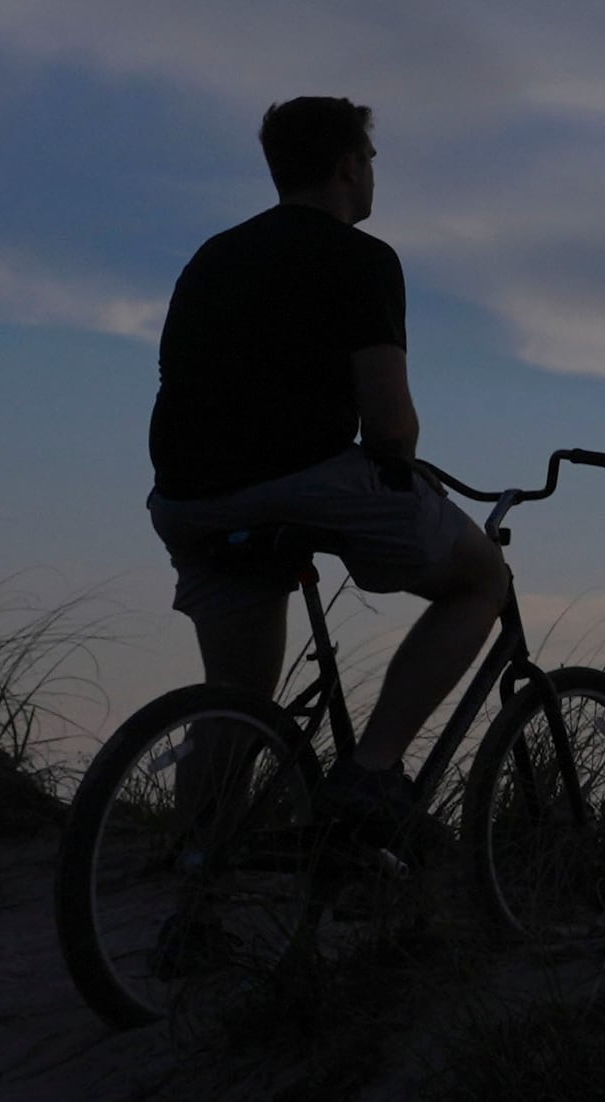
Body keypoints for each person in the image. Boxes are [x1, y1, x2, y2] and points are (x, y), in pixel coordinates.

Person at [143, 97, 509, 830]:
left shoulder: (212, 255)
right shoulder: (363, 260)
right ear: (347, 165)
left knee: (238, 698)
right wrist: (406, 467)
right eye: (370, 160)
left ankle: (188, 872)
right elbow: (390, 424)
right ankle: (371, 772)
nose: (373, 174)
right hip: (298, 481)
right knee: (482, 578)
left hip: (186, 497)